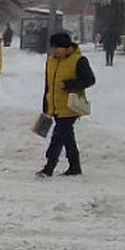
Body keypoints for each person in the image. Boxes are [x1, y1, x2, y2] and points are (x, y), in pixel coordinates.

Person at [38, 31, 95, 177]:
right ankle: (75, 167)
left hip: (71, 106)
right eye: (53, 48)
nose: (54, 51)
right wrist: (46, 104)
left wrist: (72, 85)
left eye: (57, 48)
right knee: (67, 137)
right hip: (55, 106)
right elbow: (48, 85)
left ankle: (49, 167)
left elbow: (90, 80)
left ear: (66, 47)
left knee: (58, 135)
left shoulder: (79, 60)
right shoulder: (51, 61)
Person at [101, 0, 122, 67]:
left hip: (108, 42)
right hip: (112, 42)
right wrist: (118, 40)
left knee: (108, 52)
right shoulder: (114, 29)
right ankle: (110, 62)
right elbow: (116, 35)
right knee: (111, 52)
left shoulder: (107, 28)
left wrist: (101, 40)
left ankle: (108, 62)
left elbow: (104, 35)